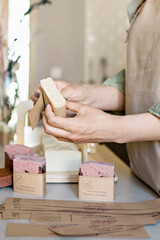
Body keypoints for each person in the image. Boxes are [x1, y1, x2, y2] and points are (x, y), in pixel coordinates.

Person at [31, 0, 160, 195]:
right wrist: (86, 95)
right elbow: (142, 82)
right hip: (143, 181)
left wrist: (113, 128)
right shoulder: (141, 5)